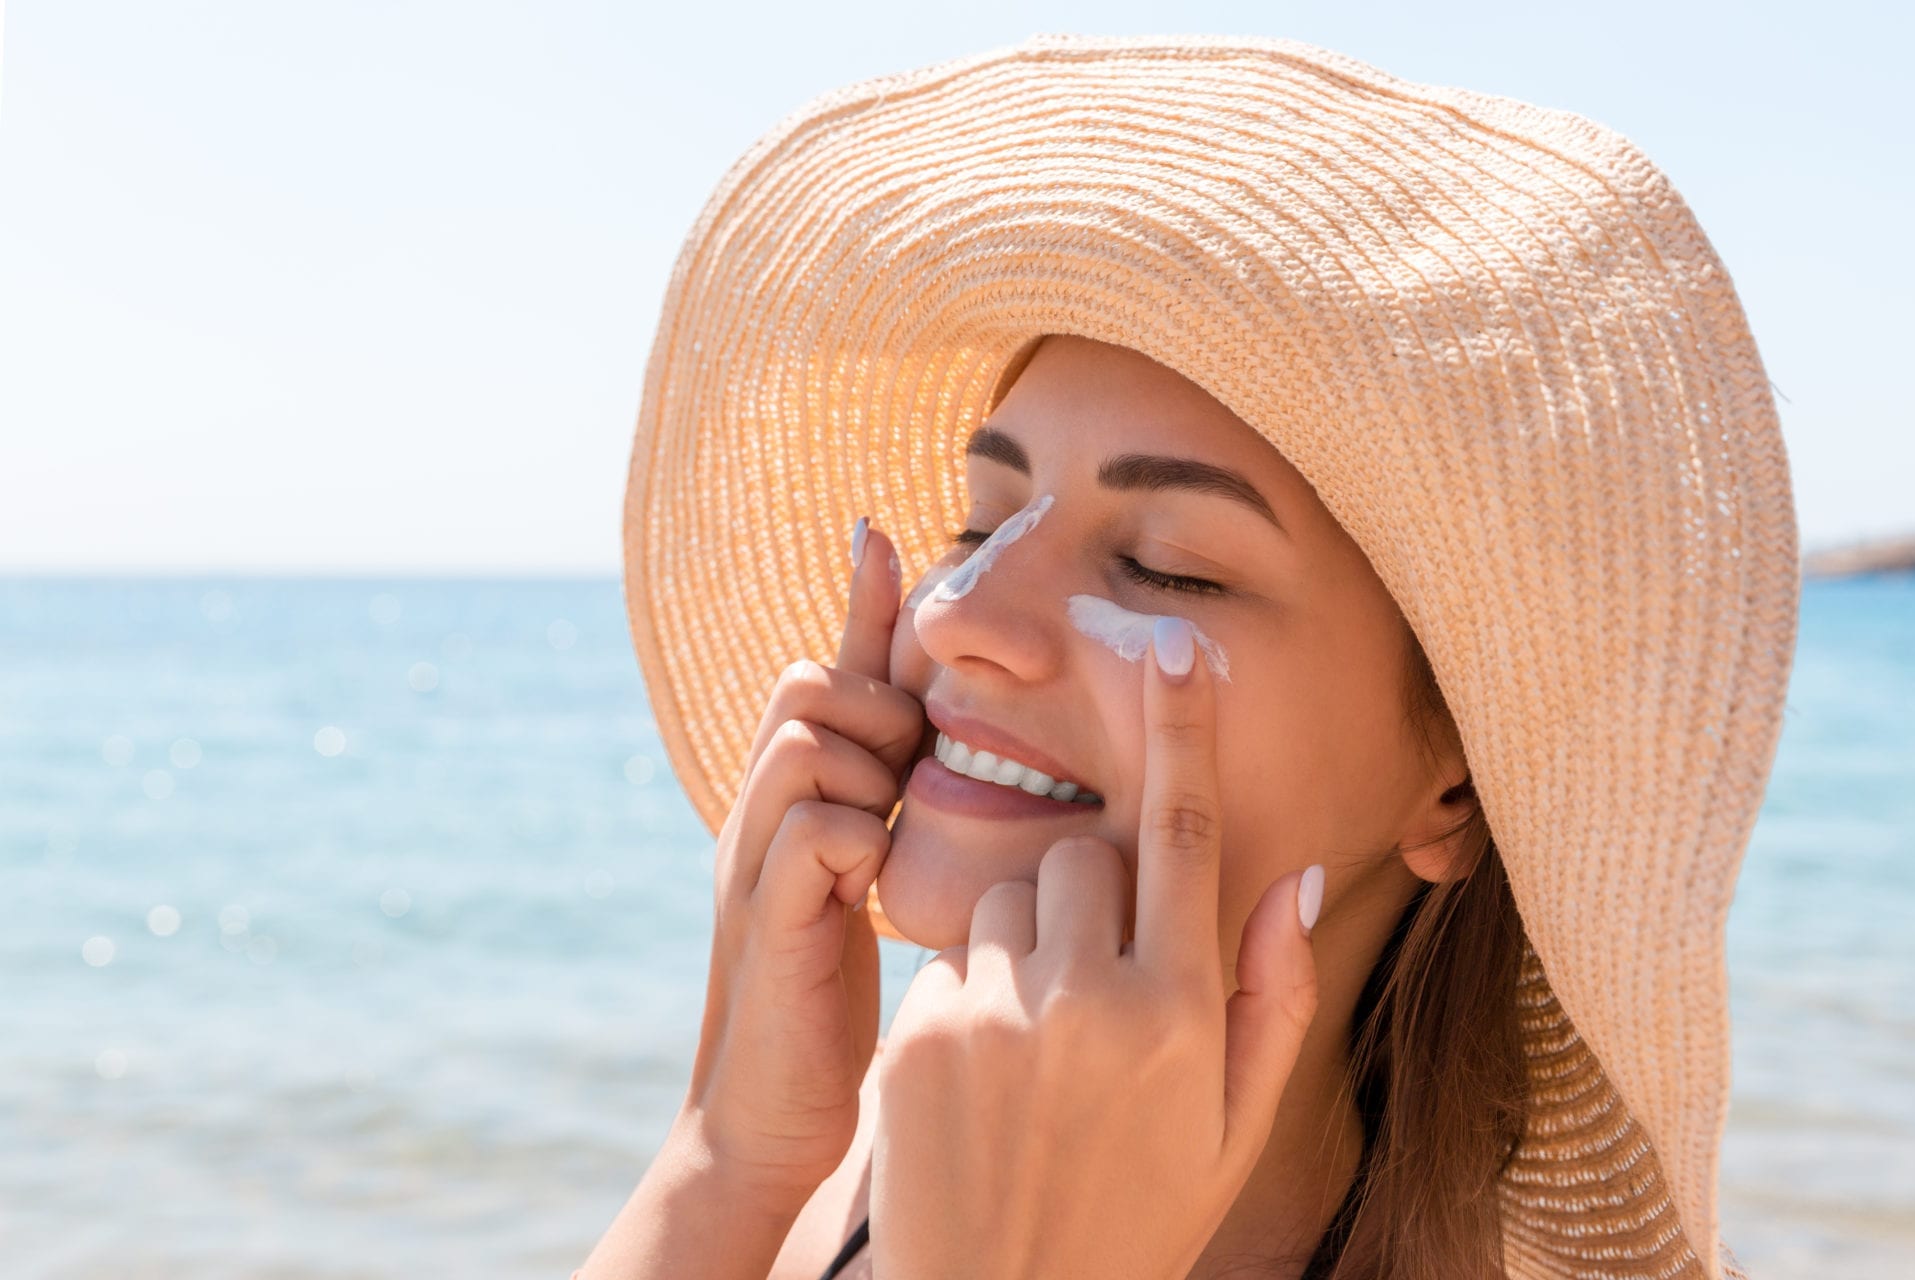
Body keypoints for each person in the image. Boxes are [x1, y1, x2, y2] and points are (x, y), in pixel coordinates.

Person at [577, 32, 1797, 1280]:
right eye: (980, 524)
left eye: (1167, 565)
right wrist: (727, 1153)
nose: (958, 615)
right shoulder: (900, 1130)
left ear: (1457, 779)